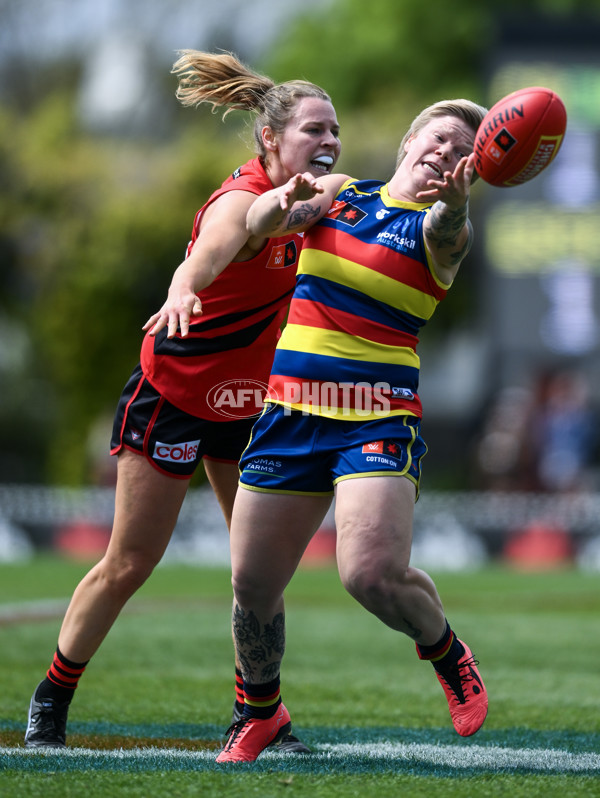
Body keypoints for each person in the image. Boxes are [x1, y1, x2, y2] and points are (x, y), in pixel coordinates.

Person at [24, 50, 341, 752]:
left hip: (247, 406)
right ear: (270, 140)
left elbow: (379, 204)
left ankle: (258, 712)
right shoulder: (245, 199)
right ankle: (51, 697)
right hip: (173, 395)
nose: (328, 142)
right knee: (130, 563)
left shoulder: (329, 195)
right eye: (313, 130)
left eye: (333, 131)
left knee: (255, 570)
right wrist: (180, 288)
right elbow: (240, 229)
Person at [216, 98, 490, 763]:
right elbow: (259, 222)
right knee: (252, 584)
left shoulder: (439, 230)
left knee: (370, 575)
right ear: (407, 140)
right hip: (291, 413)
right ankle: (260, 713)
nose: (447, 153)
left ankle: (447, 652)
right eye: (439, 137)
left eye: (464, 152)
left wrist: (455, 207)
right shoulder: (339, 194)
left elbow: (451, 232)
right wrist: (283, 202)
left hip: (376, 415)